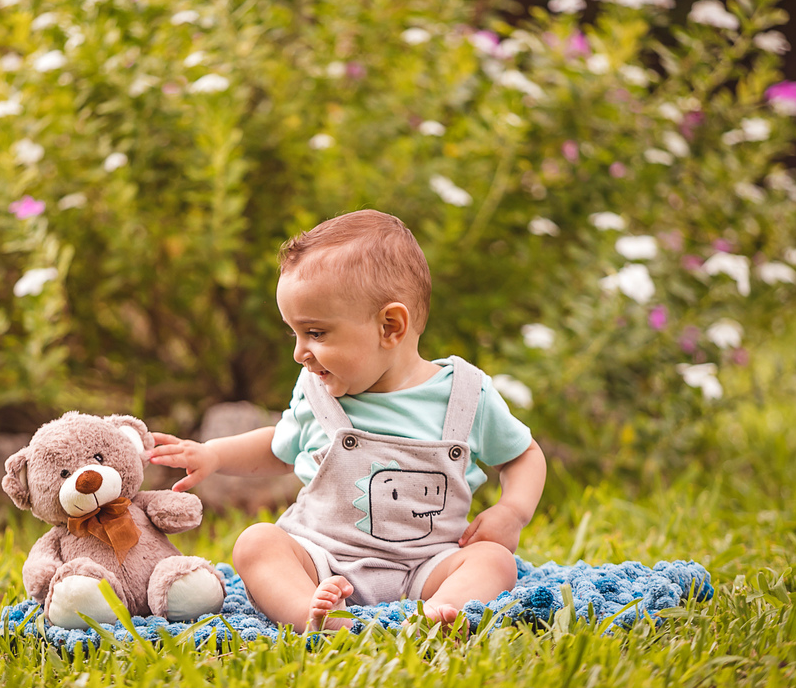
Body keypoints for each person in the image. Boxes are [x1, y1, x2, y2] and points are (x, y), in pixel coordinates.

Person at [148, 210, 546, 632]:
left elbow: (522, 456)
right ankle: (312, 613)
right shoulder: (316, 391)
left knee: (494, 562)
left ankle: (441, 613)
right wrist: (212, 454)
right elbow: (278, 448)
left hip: (428, 565)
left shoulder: (466, 396)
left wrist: (512, 511)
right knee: (256, 543)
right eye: (295, 335)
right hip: (323, 560)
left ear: (390, 326)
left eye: (316, 334)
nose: (300, 353)